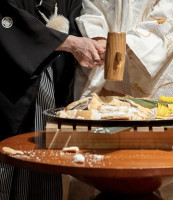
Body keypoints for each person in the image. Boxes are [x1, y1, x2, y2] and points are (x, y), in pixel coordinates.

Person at [74, 0, 173, 199]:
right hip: (103, 66)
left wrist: (126, 44)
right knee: (98, 163)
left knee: (166, 165)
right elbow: (93, 6)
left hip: (158, 73)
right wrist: (97, 36)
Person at [0, 0, 104, 199]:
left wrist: (95, 41)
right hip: (12, 82)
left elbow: (81, 18)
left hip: (55, 86)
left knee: (45, 169)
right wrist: (64, 42)